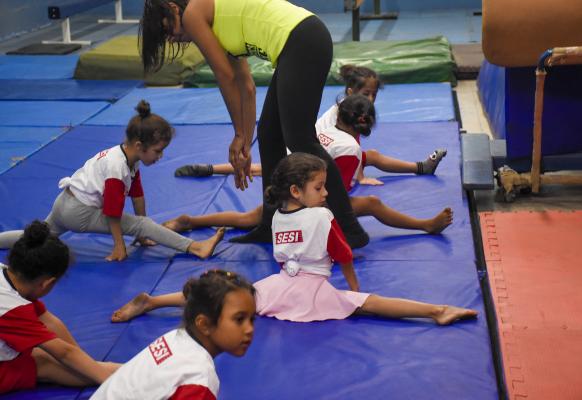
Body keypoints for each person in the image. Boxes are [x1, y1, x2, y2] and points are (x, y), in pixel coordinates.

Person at [112, 154, 476, 325]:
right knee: (369, 302)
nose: (325, 194)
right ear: (297, 191)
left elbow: (286, 254)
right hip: (307, 286)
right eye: (320, 188)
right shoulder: (322, 216)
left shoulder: (278, 216)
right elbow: (343, 254)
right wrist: (352, 288)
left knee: (223, 299)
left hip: (281, 282)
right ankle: (436, 310)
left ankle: (154, 301)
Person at [139, 0, 369, 248]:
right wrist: (245, 142)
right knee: (269, 136)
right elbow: (246, 87)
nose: (171, 39)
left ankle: (351, 228)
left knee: (300, 139)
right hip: (300, 41)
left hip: (303, 39)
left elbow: (224, 75)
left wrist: (239, 134)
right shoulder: (219, 25)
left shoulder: (194, 13)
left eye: (167, 30)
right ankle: (270, 224)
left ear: (174, 10)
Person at [163, 95, 453, 235]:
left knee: (249, 217)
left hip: (290, 169)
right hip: (300, 191)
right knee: (373, 203)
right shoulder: (350, 149)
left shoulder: (332, 115)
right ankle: (425, 225)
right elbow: (335, 191)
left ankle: (192, 220)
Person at [0, 100, 224, 261]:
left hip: (63, 203)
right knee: (143, 224)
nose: (160, 157)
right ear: (139, 146)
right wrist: (120, 245)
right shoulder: (117, 167)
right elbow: (112, 211)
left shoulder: (127, 156)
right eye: (157, 151)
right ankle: (195, 248)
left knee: (35, 237)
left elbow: (137, 194)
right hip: (78, 212)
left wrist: (141, 234)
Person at [175, 64, 447, 180]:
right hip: (306, 155)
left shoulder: (344, 110)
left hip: (313, 150)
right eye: (367, 94)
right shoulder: (348, 116)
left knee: (260, 169)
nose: (371, 99)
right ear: (351, 93)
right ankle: (210, 168)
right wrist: (360, 177)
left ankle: (421, 167)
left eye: (374, 95)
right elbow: (351, 148)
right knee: (260, 169)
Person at [92, 270, 255, 399]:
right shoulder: (199, 379)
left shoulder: (175, 338)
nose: (249, 329)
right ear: (204, 324)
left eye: (252, 319)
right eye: (239, 319)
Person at [0, 221, 119, 394]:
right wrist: (113, 383)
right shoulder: (14, 309)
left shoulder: (9, 277)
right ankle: (133, 378)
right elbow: (64, 353)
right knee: (45, 364)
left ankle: (131, 373)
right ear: (48, 283)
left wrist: (87, 362)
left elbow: (48, 320)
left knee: (75, 364)